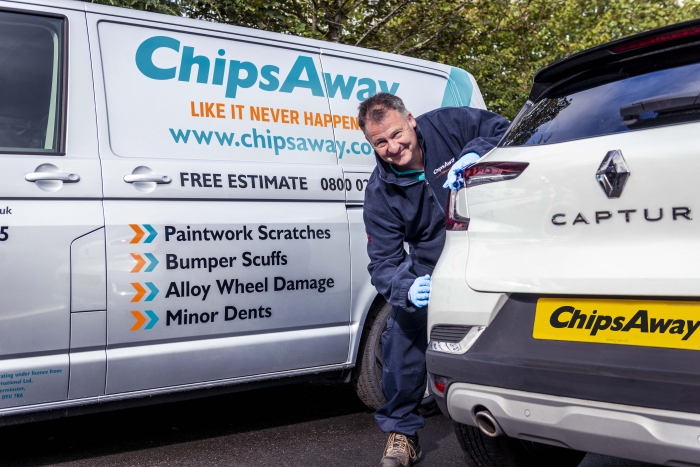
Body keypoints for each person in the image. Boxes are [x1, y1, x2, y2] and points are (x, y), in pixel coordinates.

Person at [359, 93, 509, 467]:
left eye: (397, 134)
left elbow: (504, 128)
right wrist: (404, 287)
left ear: (410, 119)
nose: (394, 148)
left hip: (494, 245)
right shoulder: (380, 193)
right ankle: (402, 433)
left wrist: (476, 153)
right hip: (434, 263)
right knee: (401, 329)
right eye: (380, 143)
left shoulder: (448, 124)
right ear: (370, 144)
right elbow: (383, 261)